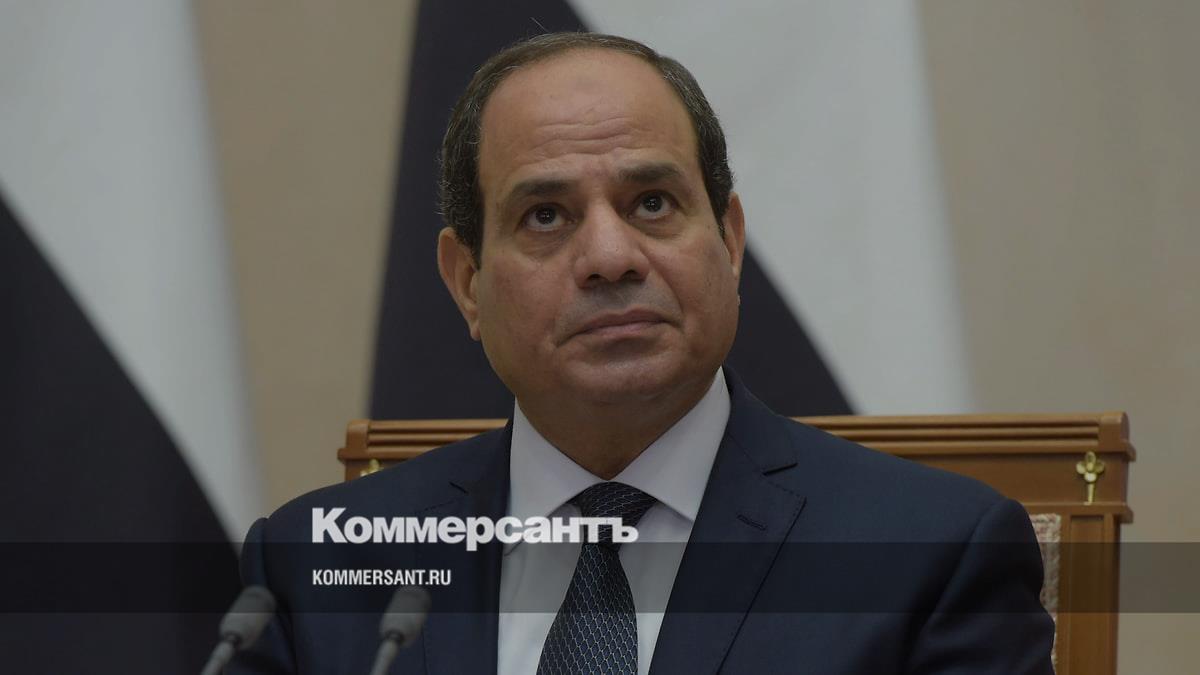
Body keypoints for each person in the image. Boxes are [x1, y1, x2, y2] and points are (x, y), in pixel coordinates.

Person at [230, 32, 1054, 674]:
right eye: (546, 216)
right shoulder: (317, 568)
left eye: (652, 202)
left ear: (729, 241)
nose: (610, 257)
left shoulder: (929, 555)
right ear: (468, 281)